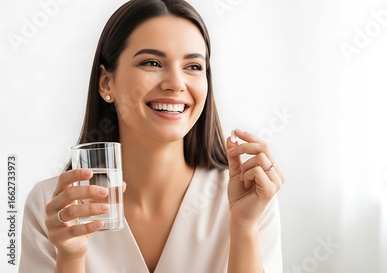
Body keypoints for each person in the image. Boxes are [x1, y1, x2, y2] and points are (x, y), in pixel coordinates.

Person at [19, 0, 285, 272]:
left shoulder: (247, 196)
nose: (175, 83)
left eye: (193, 66)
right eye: (152, 62)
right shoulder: (54, 204)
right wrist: (71, 257)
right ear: (106, 82)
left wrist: (243, 227)